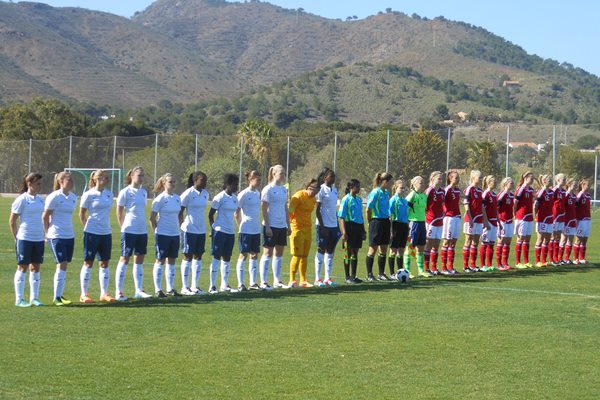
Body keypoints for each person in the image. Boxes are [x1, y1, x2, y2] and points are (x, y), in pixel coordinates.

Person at [115, 166, 152, 300]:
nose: (141, 178)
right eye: (139, 175)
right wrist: (123, 227)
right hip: (129, 229)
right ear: (132, 176)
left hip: (142, 230)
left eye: (143, 175)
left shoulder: (143, 192)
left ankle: (139, 290)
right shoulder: (125, 192)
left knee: (139, 259)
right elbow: (119, 212)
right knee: (125, 258)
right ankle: (118, 292)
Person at [79, 169, 115, 303]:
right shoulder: (88, 194)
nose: (102, 179)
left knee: (104, 262)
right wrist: (87, 228)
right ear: (94, 179)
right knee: (88, 262)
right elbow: (81, 214)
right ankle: (84, 294)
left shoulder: (109, 195)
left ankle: (104, 293)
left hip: (106, 232)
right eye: (99, 177)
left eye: (104, 177)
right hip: (91, 232)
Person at [10, 173, 45, 307]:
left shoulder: (41, 200)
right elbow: (12, 221)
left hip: (38, 238)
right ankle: (19, 299)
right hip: (24, 238)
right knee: (22, 267)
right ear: (29, 183)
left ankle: (34, 298)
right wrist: (16, 238)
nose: (40, 186)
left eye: (40, 183)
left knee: (36, 267)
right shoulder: (22, 200)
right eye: (38, 183)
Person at [43, 172, 77, 306]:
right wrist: (46, 233)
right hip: (56, 235)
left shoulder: (74, 197)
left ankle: (60, 295)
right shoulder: (54, 196)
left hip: (69, 235)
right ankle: (56, 297)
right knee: (61, 263)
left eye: (72, 180)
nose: (71, 182)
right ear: (61, 181)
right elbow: (45, 216)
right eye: (69, 180)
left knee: (65, 265)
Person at [150, 173, 182, 297]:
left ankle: (170, 288)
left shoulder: (177, 198)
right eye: (170, 182)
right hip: (162, 234)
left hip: (175, 234)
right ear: (164, 183)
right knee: (160, 260)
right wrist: (156, 232)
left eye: (174, 182)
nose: (173, 184)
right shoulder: (159, 199)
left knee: (172, 260)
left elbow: (179, 215)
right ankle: (158, 289)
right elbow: (152, 218)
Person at [259, 165, 291, 290]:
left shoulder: (284, 189)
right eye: (281, 173)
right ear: (274, 174)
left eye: (284, 173)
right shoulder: (268, 189)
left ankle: (277, 281)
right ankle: (263, 282)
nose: (283, 175)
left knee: (279, 253)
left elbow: (285, 208)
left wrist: (287, 225)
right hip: (270, 225)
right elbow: (264, 209)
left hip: (281, 225)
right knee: (267, 253)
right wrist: (267, 226)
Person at [208, 173, 239, 293]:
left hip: (230, 232)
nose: (236, 187)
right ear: (227, 184)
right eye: (234, 184)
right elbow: (210, 215)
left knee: (227, 258)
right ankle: (212, 286)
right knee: (216, 257)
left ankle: (224, 285)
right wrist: (213, 228)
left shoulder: (235, 198)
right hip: (220, 231)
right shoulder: (219, 197)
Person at [179, 171, 209, 295]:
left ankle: (195, 286)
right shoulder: (188, 193)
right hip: (189, 229)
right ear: (195, 180)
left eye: (205, 180)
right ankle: (184, 287)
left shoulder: (206, 194)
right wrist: (181, 225)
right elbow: (179, 211)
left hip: (201, 230)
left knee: (198, 256)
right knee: (187, 256)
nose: (204, 182)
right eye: (202, 180)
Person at [288, 179, 320, 287]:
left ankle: (303, 280)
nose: (316, 193)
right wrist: (290, 226)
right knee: (297, 255)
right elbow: (290, 211)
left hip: (308, 229)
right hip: (297, 229)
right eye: (316, 190)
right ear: (310, 188)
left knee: (305, 256)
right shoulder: (298, 196)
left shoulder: (313, 199)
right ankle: (292, 280)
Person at [235, 171, 262, 291]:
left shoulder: (257, 193)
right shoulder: (243, 194)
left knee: (255, 254)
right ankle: (240, 284)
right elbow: (236, 212)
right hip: (245, 229)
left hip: (256, 229)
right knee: (243, 254)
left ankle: (253, 283)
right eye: (257, 179)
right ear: (251, 179)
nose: (259, 182)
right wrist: (240, 226)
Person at [314, 168, 341, 287]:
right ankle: (317, 278)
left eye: (334, 176)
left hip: (333, 225)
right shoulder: (321, 190)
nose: (333, 178)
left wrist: (337, 226)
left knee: (330, 252)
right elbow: (317, 210)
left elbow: (333, 209)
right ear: (325, 178)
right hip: (323, 226)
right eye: (331, 176)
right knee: (321, 250)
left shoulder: (335, 190)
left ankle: (327, 278)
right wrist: (322, 225)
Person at [365, 172, 393, 281]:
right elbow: (368, 209)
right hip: (376, 222)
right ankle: (369, 274)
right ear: (385, 181)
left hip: (385, 221)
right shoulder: (375, 192)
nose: (392, 184)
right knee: (373, 249)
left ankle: (381, 273)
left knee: (384, 248)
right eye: (391, 181)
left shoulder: (386, 193)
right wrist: (370, 221)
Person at [338, 179, 365, 284]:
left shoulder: (358, 199)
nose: (358, 188)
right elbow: (341, 217)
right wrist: (344, 232)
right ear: (351, 187)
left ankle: (354, 276)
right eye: (357, 186)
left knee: (355, 252)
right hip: (349, 227)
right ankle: (347, 276)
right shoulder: (346, 199)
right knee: (348, 252)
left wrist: (363, 230)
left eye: (359, 186)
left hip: (358, 227)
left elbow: (360, 216)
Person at [462, 170, 489, 273]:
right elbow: (466, 204)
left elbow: (482, 207)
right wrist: (470, 218)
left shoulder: (480, 191)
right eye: (479, 177)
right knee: (468, 241)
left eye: (482, 177)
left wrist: (485, 220)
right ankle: (465, 266)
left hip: (479, 219)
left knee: (476, 242)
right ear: (473, 178)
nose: (481, 179)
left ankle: (473, 265)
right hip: (471, 219)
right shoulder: (469, 189)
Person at [405, 176, 427, 277]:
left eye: (423, 182)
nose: (422, 184)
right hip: (413, 223)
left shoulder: (424, 195)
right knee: (410, 247)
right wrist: (407, 222)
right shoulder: (412, 195)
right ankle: (407, 270)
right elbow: (405, 208)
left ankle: (421, 270)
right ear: (414, 184)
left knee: (421, 246)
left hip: (422, 223)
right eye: (420, 183)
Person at [424, 171, 445, 275]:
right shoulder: (429, 190)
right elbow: (424, 205)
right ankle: (426, 268)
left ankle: (434, 268)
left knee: (436, 244)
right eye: (439, 179)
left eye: (441, 179)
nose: (441, 181)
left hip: (440, 221)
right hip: (431, 220)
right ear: (432, 179)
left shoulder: (442, 191)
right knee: (429, 243)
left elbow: (442, 204)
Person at [441, 171, 461, 274]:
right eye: (456, 178)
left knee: (453, 243)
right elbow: (442, 203)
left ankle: (451, 267)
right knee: (446, 242)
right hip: (449, 218)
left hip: (457, 217)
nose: (458, 179)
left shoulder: (457, 190)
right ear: (450, 178)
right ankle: (444, 268)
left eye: (458, 178)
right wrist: (445, 213)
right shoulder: (447, 189)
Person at [514, 171, 535, 269]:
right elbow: (515, 203)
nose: (532, 180)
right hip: (521, 216)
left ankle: (526, 261)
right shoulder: (520, 188)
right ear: (525, 177)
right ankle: (518, 262)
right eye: (531, 178)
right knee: (520, 238)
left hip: (530, 216)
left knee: (527, 239)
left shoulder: (531, 190)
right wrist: (514, 214)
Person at [388, 179, 409, 278]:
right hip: (395, 225)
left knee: (401, 250)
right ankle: (392, 273)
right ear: (396, 188)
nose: (403, 190)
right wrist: (391, 230)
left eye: (404, 188)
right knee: (393, 250)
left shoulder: (405, 201)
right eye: (401, 188)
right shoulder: (393, 200)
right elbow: (390, 215)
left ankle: (400, 272)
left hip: (404, 226)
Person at [533, 175, 554, 267]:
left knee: (547, 240)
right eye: (549, 180)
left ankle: (544, 260)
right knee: (540, 239)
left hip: (550, 218)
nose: (550, 181)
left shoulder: (552, 192)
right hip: (542, 219)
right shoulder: (541, 192)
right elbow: (535, 206)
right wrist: (535, 217)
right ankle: (538, 261)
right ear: (544, 181)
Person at [496, 177, 515, 270]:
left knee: (508, 241)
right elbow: (496, 208)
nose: (511, 184)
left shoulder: (511, 195)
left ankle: (505, 263)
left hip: (509, 221)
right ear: (505, 183)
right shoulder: (501, 194)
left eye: (512, 182)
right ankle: (499, 264)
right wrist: (498, 220)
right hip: (502, 220)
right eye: (510, 182)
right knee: (501, 241)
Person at [480, 175, 499, 271]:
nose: (495, 183)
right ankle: (483, 265)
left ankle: (489, 264)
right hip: (488, 222)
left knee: (491, 244)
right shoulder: (485, 194)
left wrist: (498, 221)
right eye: (493, 181)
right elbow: (482, 208)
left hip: (494, 222)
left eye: (495, 181)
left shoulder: (494, 195)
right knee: (484, 243)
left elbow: (495, 209)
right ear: (488, 182)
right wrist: (485, 221)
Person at [559, 178, 578, 264]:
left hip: (573, 219)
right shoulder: (566, 194)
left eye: (576, 185)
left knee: (571, 239)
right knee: (563, 239)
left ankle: (567, 258)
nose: (575, 186)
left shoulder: (574, 196)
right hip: (566, 220)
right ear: (569, 184)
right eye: (574, 185)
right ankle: (560, 258)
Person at [550, 173, 567, 265]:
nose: (565, 180)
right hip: (555, 216)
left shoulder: (564, 191)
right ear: (558, 180)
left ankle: (557, 258)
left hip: (562, 215)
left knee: (558, 237)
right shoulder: (554, 190)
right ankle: (552, 259)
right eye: (563, 179)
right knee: (553, 237)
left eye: (565, 179)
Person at [574, 179, 591, 264]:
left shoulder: (588, 195)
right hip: (580, 220)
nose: (589, 186)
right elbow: (575, 205)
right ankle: (576, 259)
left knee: (585, 239)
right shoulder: (579, 195)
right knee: (578, 239)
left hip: (587, 219)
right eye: (588, 185)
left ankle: (582, 258)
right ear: (583, 185)